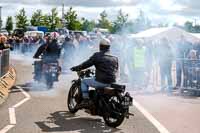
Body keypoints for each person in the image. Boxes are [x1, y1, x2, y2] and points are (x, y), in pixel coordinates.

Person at [71, 38, 119, 107]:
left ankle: (86, 100)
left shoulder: (97, 55)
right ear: (109, 47)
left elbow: (86, 64)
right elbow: (116, 70)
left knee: (83, 81)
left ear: (100, 46)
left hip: (101, 81)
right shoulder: (115, 58)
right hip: (112, 82)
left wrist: (77, 67)